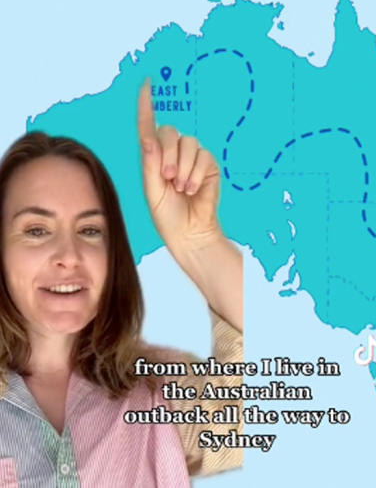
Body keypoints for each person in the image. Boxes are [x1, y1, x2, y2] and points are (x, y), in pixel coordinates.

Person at [0, 79, 242, 487]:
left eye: (91, 230)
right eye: (37, 230)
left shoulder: (157, 391)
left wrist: (200, 243)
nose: (70, 255)